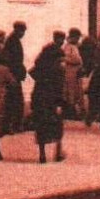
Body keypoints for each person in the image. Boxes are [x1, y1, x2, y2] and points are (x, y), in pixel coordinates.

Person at [30, 33, 66, 163]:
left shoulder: (41, 67)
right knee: (57, 126)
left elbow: (32, 74)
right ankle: (58, 152)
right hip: (52, 100)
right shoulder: (59, 70)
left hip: (39, 98)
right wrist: (60, 104)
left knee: (41, 127)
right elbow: (59, 88)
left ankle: (42, 154)